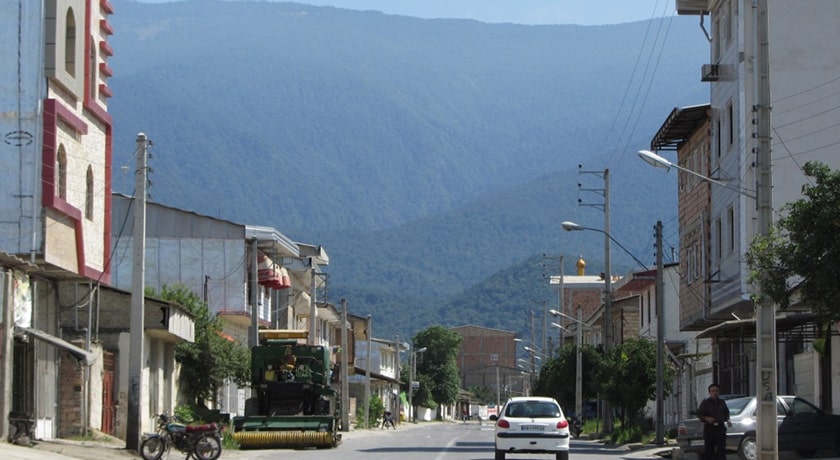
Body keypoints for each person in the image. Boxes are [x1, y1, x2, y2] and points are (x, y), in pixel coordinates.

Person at [696, 383, 731, 460]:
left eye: (717, 391)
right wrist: (706, 418)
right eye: (713, 391)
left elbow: (726, 412)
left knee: (721, 450)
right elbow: (700, 414)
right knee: (709, 450)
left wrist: (728, 420)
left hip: (720, 428)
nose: (715, 392)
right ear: (710, 392)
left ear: (719, 392)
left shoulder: (722, 402)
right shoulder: (705, 402)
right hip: (710, 429)